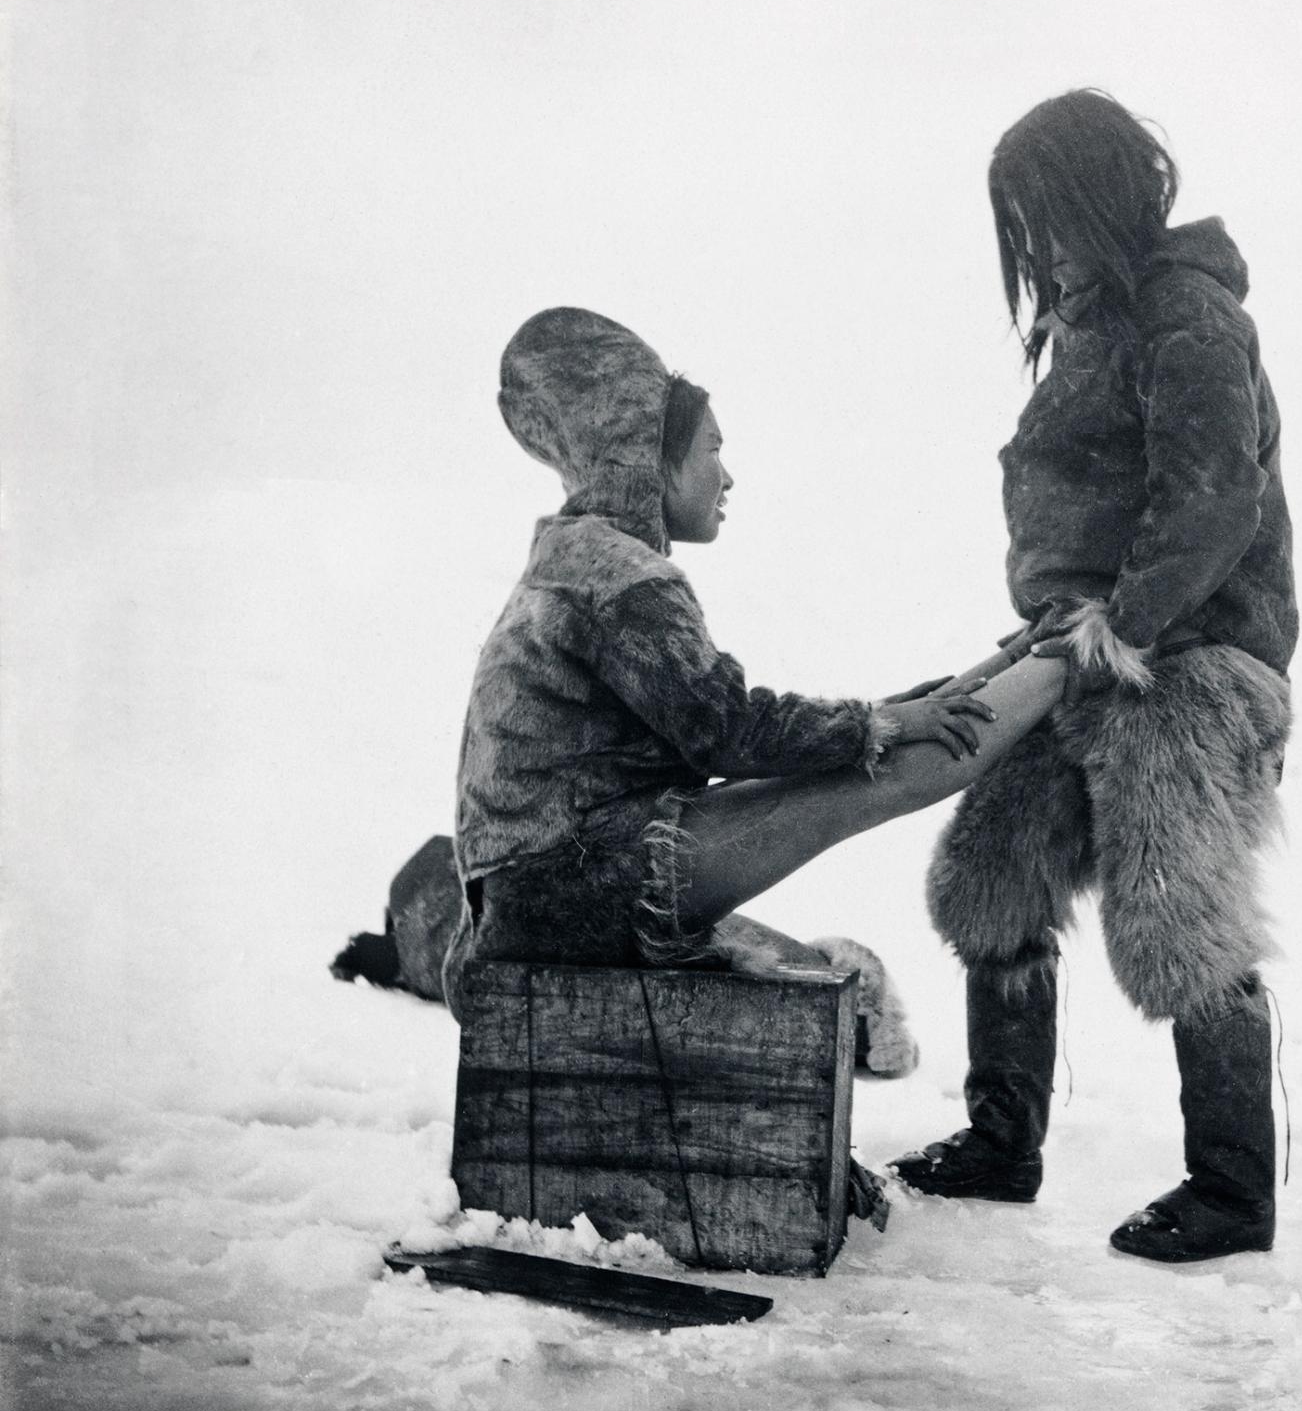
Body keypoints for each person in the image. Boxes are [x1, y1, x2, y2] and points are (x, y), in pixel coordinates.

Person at [890, 90, 1298, 1264]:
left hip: (1188, 658)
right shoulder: (1094, 324)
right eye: (1023, 220)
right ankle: (1000, 1141)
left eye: (1050, 210)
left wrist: (1125, 624)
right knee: (989, 876)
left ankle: (1231, 1191)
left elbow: (1214, 496)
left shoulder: (1187, 317)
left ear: (1106, 197)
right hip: (1082, 652)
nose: (1041, 240)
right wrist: (1066, 637)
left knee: (1177, 915)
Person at [412, 306, 1067, 1021]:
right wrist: (880, 723)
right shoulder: (622, 579)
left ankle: (1049, 649)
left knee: (887, 742)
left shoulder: (579, 559)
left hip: (541, 889)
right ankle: (1082, 655)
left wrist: (920, 698)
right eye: (711, 450)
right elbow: (725, 732)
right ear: (648, 458)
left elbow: (722, 724)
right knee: (868, 782)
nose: (727, 476)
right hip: (576, 888)